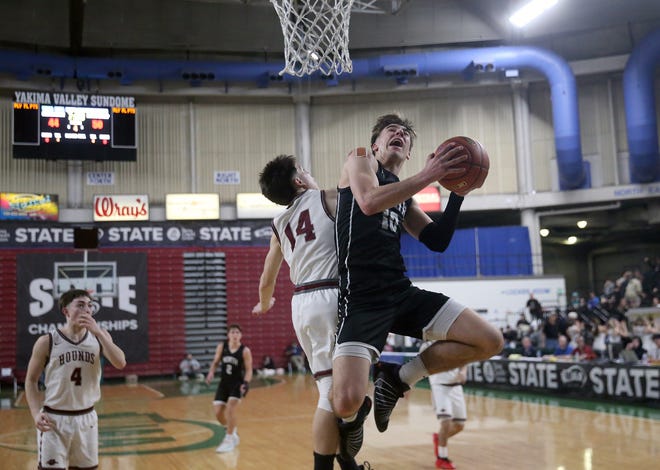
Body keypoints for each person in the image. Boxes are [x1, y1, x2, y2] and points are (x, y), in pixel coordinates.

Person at [332, 113, 503, 454]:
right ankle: (353, 421)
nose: (399, 133)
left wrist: (457, 192)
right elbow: (367, 202)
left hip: (399, 290)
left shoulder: (405, 199)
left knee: (489, 340)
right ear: (376, 144)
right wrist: (428, 175)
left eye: (405, 134)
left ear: (409, 152)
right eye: (390, 130)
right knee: (346, 401)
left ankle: (397, 378)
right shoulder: (360, 159)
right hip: (361, 298)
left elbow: (436, 240)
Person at [253, 154, 366, 470]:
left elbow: (266, 280)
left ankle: (345, 461)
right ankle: (344, 450)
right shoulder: (328, 197)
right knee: (343, 392)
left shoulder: (279, 224)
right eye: (304, 170)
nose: (309, 173)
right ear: (299, 181)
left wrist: (264, 304)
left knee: (328, 390)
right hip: (332, 293)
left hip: (300, 303)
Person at [24, 289, 127, 469]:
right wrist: (34, 414)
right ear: (66, 311)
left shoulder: (99, 337)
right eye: (80, 305)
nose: (87, 310)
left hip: (86, 418)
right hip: (54, 419)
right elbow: (31, 380)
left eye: (90, 306)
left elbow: (120, 363)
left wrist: (100, 333)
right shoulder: (47, 341)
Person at [206, 324, 253, 453]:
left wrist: (246, 383)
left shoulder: (245, 350)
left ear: (241, 335)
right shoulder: (222, 347)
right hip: (223, 383)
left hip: (237, 384)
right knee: (218, 413)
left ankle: (229, 439)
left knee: (231, 408)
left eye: (237, 332)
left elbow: (249, 370)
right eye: (232, 332)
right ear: (228, 335)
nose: (235, 334)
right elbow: (215, 362)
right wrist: (211, 372)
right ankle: (232, 430)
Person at [420, 342, 467, 470]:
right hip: (439, 386)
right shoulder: (427, 345)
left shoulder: (455, 341)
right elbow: (422, 366)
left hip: (456, 387)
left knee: (459, 425)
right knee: (445, 422)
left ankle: (439, 438)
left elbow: (465, 359)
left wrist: (463, 371)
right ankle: (442, 458)